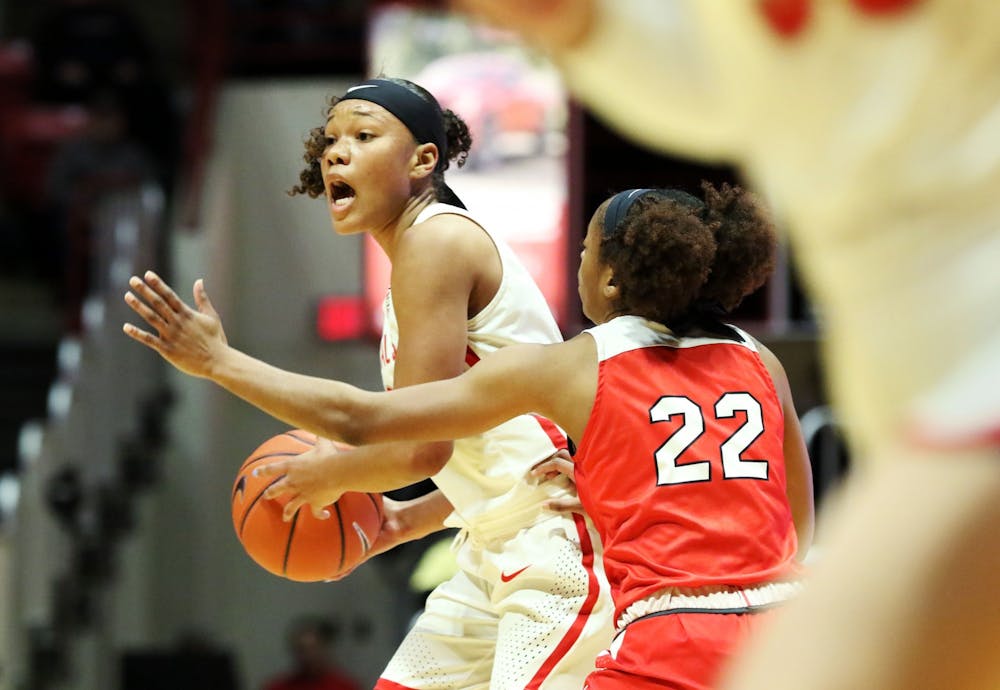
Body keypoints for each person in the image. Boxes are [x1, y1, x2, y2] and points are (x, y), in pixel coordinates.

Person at [445, 1, 1000, 689]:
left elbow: (383, 424)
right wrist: (587, 29)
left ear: (612, 273)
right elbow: (713, 85)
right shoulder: (749, 355)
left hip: (975, 390)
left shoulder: (591, 360)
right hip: (911, 424)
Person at [123, 181, 816, 689]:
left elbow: (362, 421)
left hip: (671, 634)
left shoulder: (570, 367)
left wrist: (219, 362)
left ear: (608, 275)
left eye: (583, 249)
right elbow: (799, 530)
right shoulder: (763, 362)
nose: (575, 262)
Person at [124, 76, 614, 690]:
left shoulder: (438, 241)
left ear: (422, 159)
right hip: (495, 544)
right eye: (330, 141)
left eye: (363, 135)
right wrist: (404, 521)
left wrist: (225, 369)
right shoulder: (419, 254)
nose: (335, 152)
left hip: (553, 549)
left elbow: (417, 448)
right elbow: (489, 448)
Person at [262, 616, 360, 690]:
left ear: (324, 648)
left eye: (313, 648)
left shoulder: (346, 686)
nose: (308, 655)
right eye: (301, 649)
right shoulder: (278, 687)